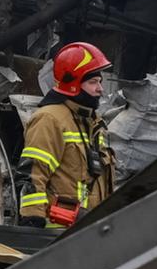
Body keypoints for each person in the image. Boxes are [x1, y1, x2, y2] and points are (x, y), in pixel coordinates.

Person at [19, 41, 116, 229]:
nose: (100, 89)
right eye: (93, 82)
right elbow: (33, 174)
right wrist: (33, 219)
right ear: (73, 84)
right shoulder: (50, 119)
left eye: (100, 82)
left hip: (91, 230)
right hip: (59, 233)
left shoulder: (93, 122)